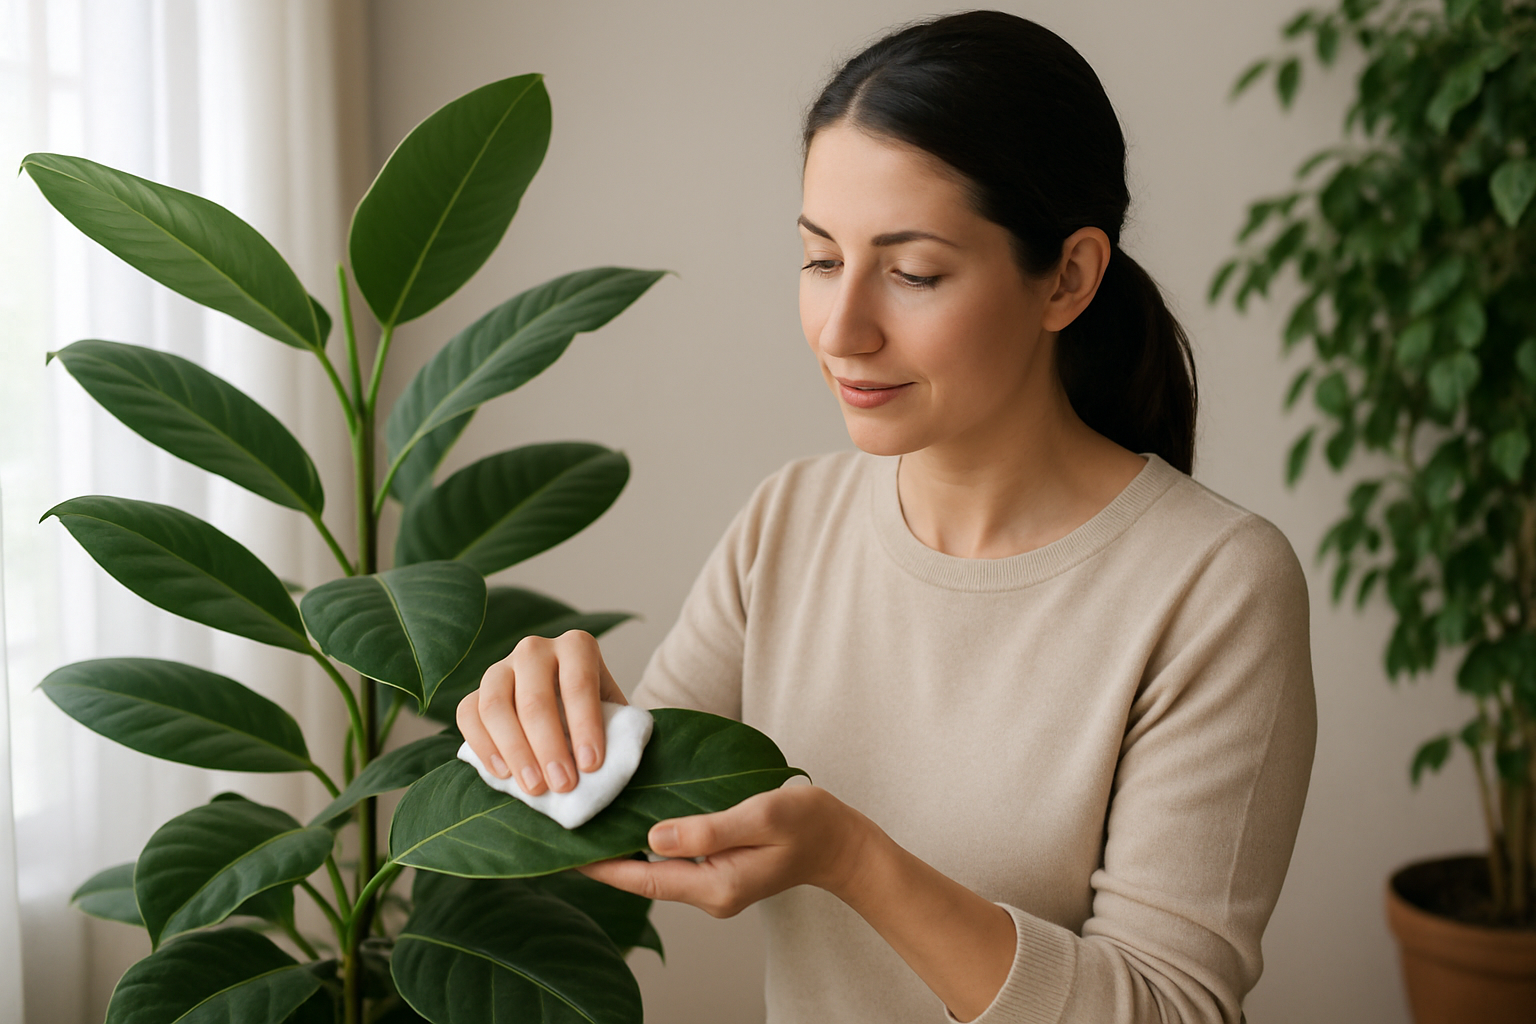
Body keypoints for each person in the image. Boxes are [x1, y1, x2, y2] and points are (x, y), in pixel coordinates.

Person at [456, 10, 1316, 1023]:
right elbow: (644, 821)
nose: (842, 327)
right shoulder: (791, 519)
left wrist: (855, 860)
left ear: (1070, 277)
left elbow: (1170, 1009)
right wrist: (555, 724)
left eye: (913, 273)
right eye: (821, 258)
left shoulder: (1214, 584)